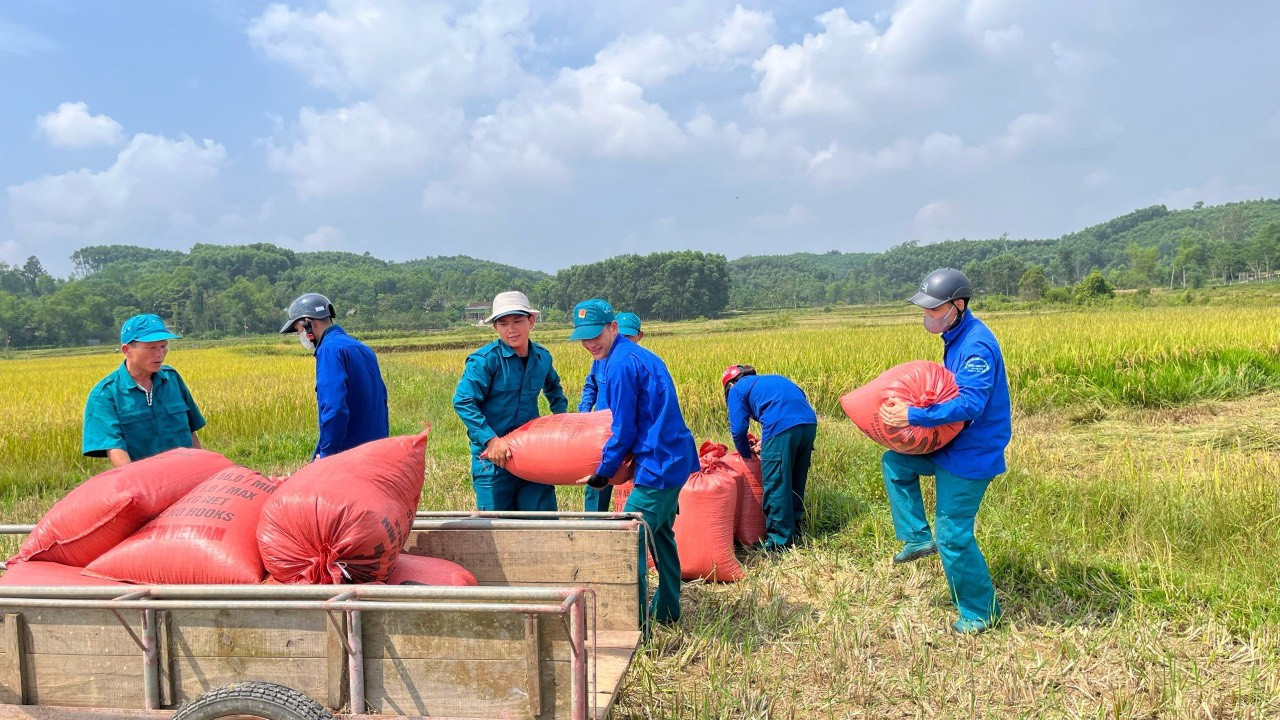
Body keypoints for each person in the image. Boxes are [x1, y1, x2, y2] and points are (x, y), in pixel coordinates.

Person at [878, 268, 1011, 635]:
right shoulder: (956, 335)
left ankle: (981, 613)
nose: (929, 316)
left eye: (935, 309)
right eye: (926, 309)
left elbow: (970, 404)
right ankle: (918, 537)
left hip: (971, 453)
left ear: (959, 305)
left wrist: (912, 415)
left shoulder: (976, 345)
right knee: (895, 462)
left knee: (953, 535)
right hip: (951, 443)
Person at [576, 299, 697, 626]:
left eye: (595, 334)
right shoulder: (628, 355)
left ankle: (634, 624)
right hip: (671, 458)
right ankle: (667, 611)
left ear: (613, 327)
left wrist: (602, 473)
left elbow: (623, 429)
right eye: (584, 338)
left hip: (659, 464)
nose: (590, 343)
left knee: (629, 540)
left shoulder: (620, 365)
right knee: (660, 537)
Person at [453, 291, 568, 511]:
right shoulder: (486, 361)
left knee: (541, 522)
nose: (511, 329)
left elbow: (554, 388)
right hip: (493, 459)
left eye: (518, 321)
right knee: (497, 529)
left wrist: (559, 421)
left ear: (531, 321)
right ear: (496, 327)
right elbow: (463, 400)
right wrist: (491, 440)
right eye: (503, 323)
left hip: (532, 454)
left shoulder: (542, 357)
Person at [82, 314, 206, 466]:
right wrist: (136, 485)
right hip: (145, 481)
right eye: (151, 348)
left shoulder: (172, 379)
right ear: (127, 350)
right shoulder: (105, 394)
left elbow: (190, 430)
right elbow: (115, 448)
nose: (159, 354)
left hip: (186, 473)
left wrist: (203, 469)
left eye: (163, 346)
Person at [280, 293, 389, 460]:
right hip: (377, 452)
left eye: (298, 329)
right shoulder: (362, 348)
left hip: (350, 457)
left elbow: (334, 408)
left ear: (309, 323)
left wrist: (326, 456)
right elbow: (381, 400)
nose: (299, 335)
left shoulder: (329, 350)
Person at [721, 364, 818, 550]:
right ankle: (795, 530)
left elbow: (738, 430)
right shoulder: (775, 378)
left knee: (776, 484)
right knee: (796, 479)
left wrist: (745, 454)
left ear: (729, 384)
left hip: (780, 426)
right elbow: (794, 403)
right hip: (808, 424)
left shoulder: (737, 390)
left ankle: (778, 541)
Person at [580, 311, 643, 512]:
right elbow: (591, 386)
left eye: (629, 336)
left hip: (630, 429)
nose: (623, 339)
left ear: (639, 336)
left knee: (635, 480)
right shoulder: (600, 358)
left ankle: (632, 527)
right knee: (598, 480)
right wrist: (584, 414)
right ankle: (594, 526)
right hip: (601, 430)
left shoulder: (636, 362)